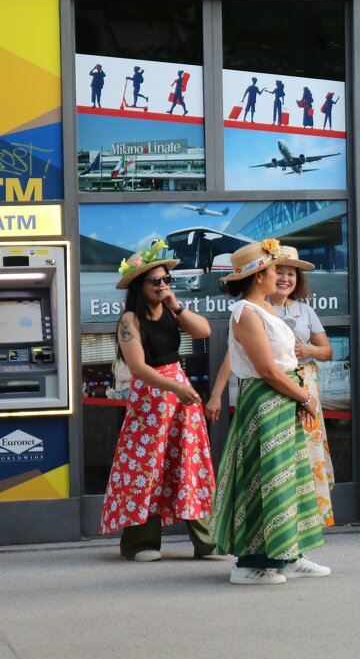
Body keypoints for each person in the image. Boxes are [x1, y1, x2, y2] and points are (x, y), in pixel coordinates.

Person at [211, 240, 329, 584]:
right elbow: (268, 370)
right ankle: (249, 564)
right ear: (259, 275)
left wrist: (299, 396)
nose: (278, 275)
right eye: (273, 269)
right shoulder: (246, 312)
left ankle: (286, 555)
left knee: (285, 477)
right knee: (263, 477)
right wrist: (305, 397)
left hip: (279, 399)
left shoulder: (264, 308)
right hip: (265, 401)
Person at [99, 241, 216, 561]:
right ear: (140, 285)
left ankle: (207, 541)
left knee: (189, 462)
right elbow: (138, 367)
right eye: (157, 281)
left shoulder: (170, 310)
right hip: (151, 397)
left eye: (167, 280)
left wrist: (176, 305)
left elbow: (204, 331)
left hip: (178, 391)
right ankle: (141, 543)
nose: (164, 285)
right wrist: (176, 388)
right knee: (146, 467)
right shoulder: (129, 320)